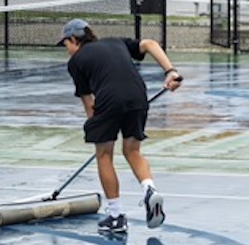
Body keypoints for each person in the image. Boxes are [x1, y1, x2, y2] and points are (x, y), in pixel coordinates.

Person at [57, 18, 182, 233]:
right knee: (132, 150)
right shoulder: (116, 42)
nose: (66, 50)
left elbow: (88, 101)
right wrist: (170, 71)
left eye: (66, 45)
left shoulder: (76, 62)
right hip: (138, 96)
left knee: (104, 154)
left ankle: (115, 216)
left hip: (109, 99)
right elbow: (150, 44)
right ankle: (149, 188)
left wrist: (94, 127)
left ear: (73, 40)